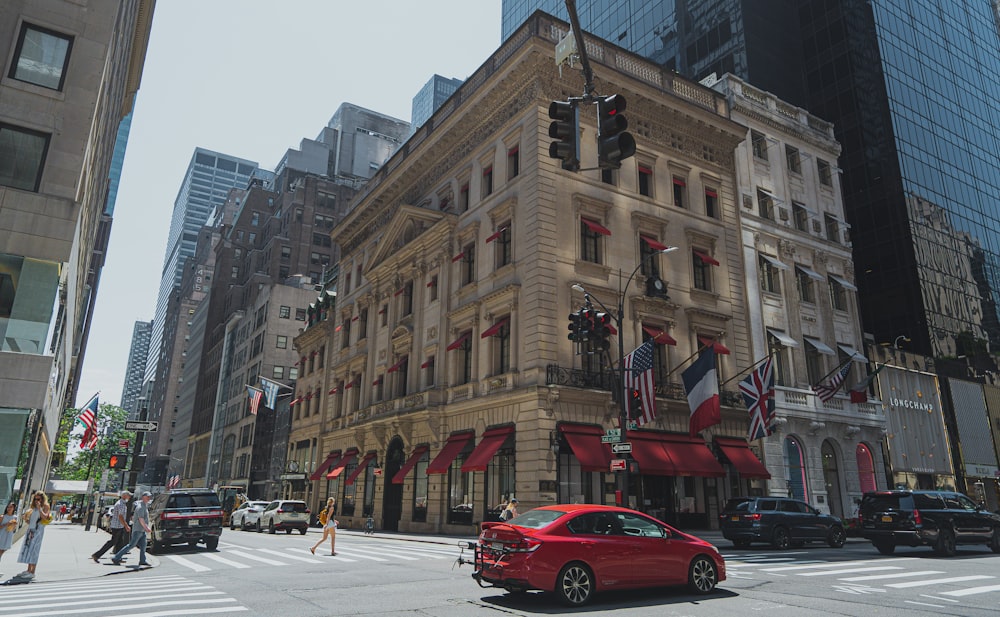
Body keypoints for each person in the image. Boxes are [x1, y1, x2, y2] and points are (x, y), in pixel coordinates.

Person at [15, 491, 51, 580]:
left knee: (34, 550)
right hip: (31, 530)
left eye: (38, 499)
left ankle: (33, 571)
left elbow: (45, 517)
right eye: (35, 499)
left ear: (42, 499)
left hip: (38, 530)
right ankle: (28, 570)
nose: (36, 501)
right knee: (28, 549)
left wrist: (39, 508)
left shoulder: (45, 506)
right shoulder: (33, 507)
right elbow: (32, 520)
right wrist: (26, 519)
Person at [111, 491, 152, 566]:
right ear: (143, 497)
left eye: (149, 497)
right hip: (138, 530)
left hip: (142, 531)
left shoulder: (144, 506)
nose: (149, 498)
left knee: (143, 546)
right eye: (147, 497)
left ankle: (142, 560)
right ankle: (116, 557)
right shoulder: (140, 507)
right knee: (131, 545)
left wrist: (145, 529)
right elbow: (141, 519)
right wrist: (146, 528)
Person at [92, 490, 131, 563]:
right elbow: (120, 516)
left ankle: (117, 557)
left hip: (118, 526)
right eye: (128, 495)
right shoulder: (121, 504)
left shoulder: (121, 503)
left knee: (119, 543)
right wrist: (126, 526)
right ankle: (97, 555)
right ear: (125, 496)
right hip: (117, 526)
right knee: (113, 542)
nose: (129, 497)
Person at [1, 502, 17, 575]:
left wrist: (14, 525)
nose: (9, 508)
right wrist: (6, 524)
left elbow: (14, 529)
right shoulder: (2, 516)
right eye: (8, 507)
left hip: (8, 536)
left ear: (13, 508)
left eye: (11, 507)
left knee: (2, 552)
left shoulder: (15, 517)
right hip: (2, 535)